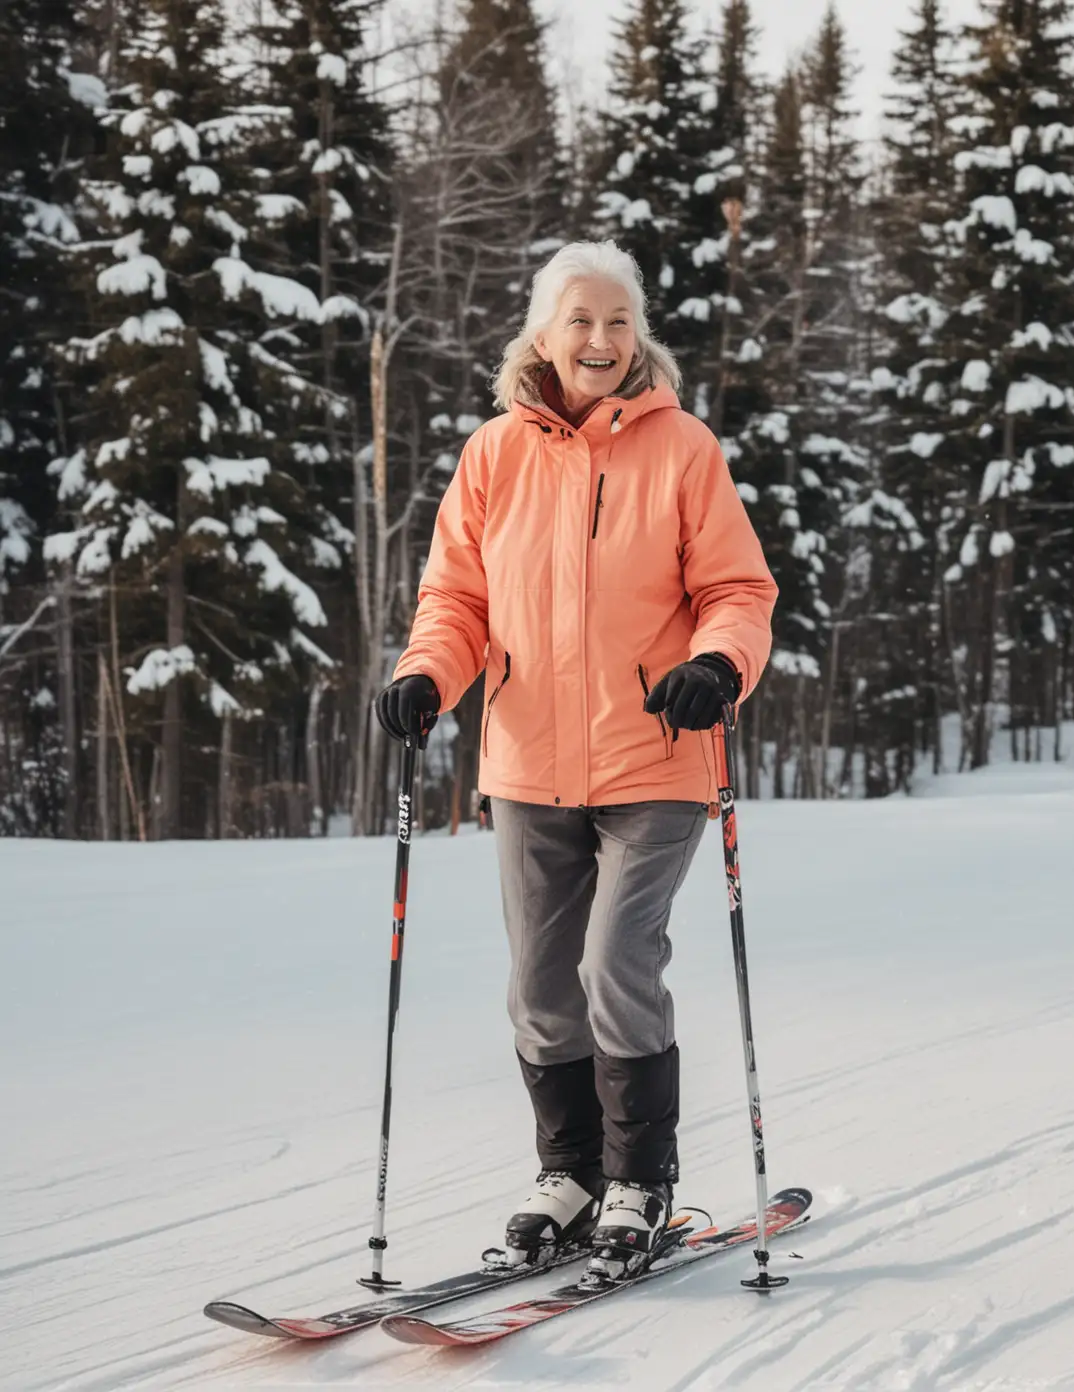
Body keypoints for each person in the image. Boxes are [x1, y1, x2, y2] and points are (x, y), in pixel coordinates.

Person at [373, 240, 777, 1275]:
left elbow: (739, 590)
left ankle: (641, 1178)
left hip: (658, 753)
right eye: (581, 321)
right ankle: (571, 1172)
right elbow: (457, 600)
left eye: (618, 321)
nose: (601, 340)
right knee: (542, 986)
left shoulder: (683, 447)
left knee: (615, 963)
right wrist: (429, 675)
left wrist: (718, 666)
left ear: (636, 334)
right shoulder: (494, 454)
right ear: (543, 335)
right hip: (526, 761)